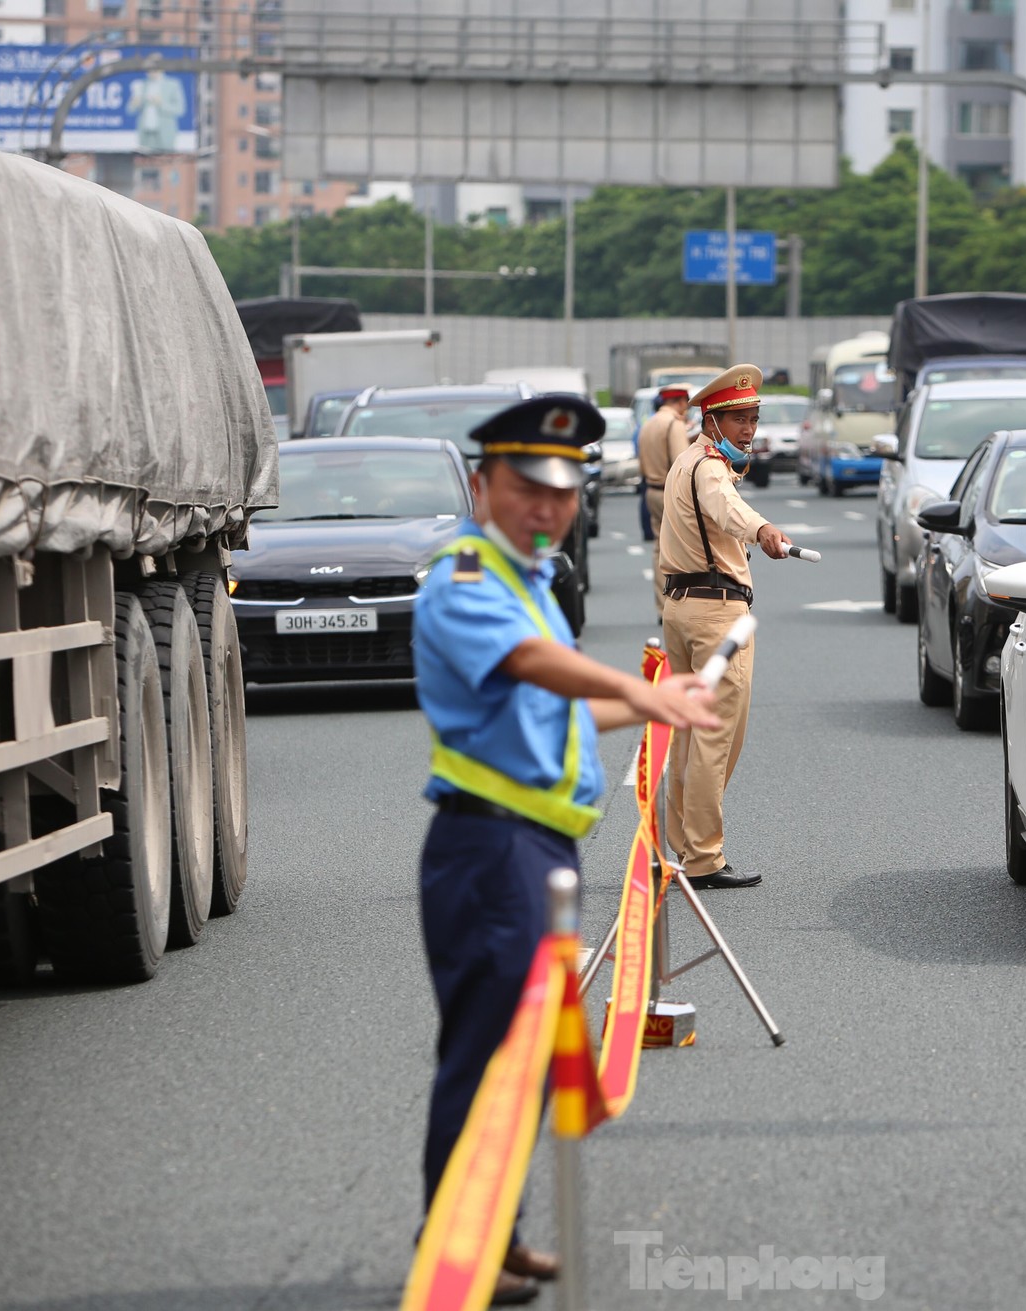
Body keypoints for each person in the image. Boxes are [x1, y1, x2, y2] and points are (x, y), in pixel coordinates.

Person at [410, 395, 719, 1305]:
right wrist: (644, 688)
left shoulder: (531, 581)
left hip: (538, 849)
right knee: (485, 1051)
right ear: (482, 485)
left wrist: (669, 700)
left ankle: (491, 1235)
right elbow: (530, 669)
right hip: (487, 847)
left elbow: (574, 707)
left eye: (562, 489)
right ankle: (455, 1244)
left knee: (529, 1053)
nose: (546, 505)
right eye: (525, 486)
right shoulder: (467, 576)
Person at [656, 365, 792, 891]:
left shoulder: (686, 461)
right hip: (717, 614)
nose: (749, 429)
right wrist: (762, 530)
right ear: (711, 420)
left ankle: (684, 847)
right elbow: (728, 507)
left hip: (681, 608)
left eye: (754, 418)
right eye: (738, 418)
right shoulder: (710, 469)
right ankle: (705, 859)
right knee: (715, 738)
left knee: (688, 737)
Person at [635, 386, 695, 615]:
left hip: (650, 489)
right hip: (670, 492)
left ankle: (663, 607)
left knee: (659, 549)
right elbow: (683, 466)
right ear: (680, 402)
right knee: (682, 549)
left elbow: (641, 463)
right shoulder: (674, 424)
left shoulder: (648, 424)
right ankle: (679, 605)